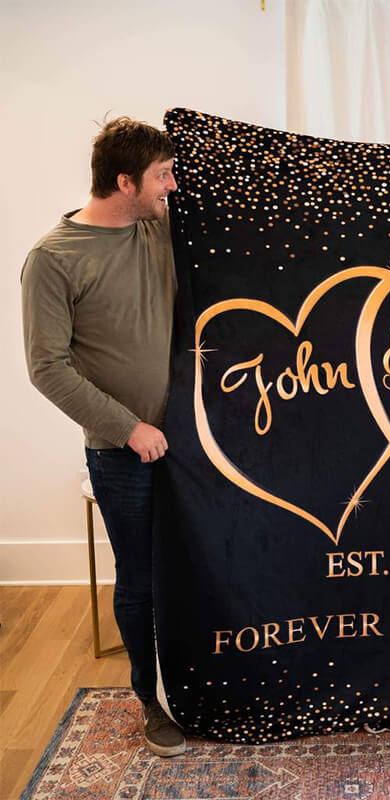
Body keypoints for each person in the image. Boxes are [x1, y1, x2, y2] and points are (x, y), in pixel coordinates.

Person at [21, 117, 185, 756]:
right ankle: (152, 700)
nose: (172, 186)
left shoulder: (160, 229)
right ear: (125, 182)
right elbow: (47, 367)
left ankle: (202, 684)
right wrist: (128, 427)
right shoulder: (54, 259)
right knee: (140, 579)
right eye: (162, 176)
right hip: (122, 453)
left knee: (202, 565)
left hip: (194, 443)